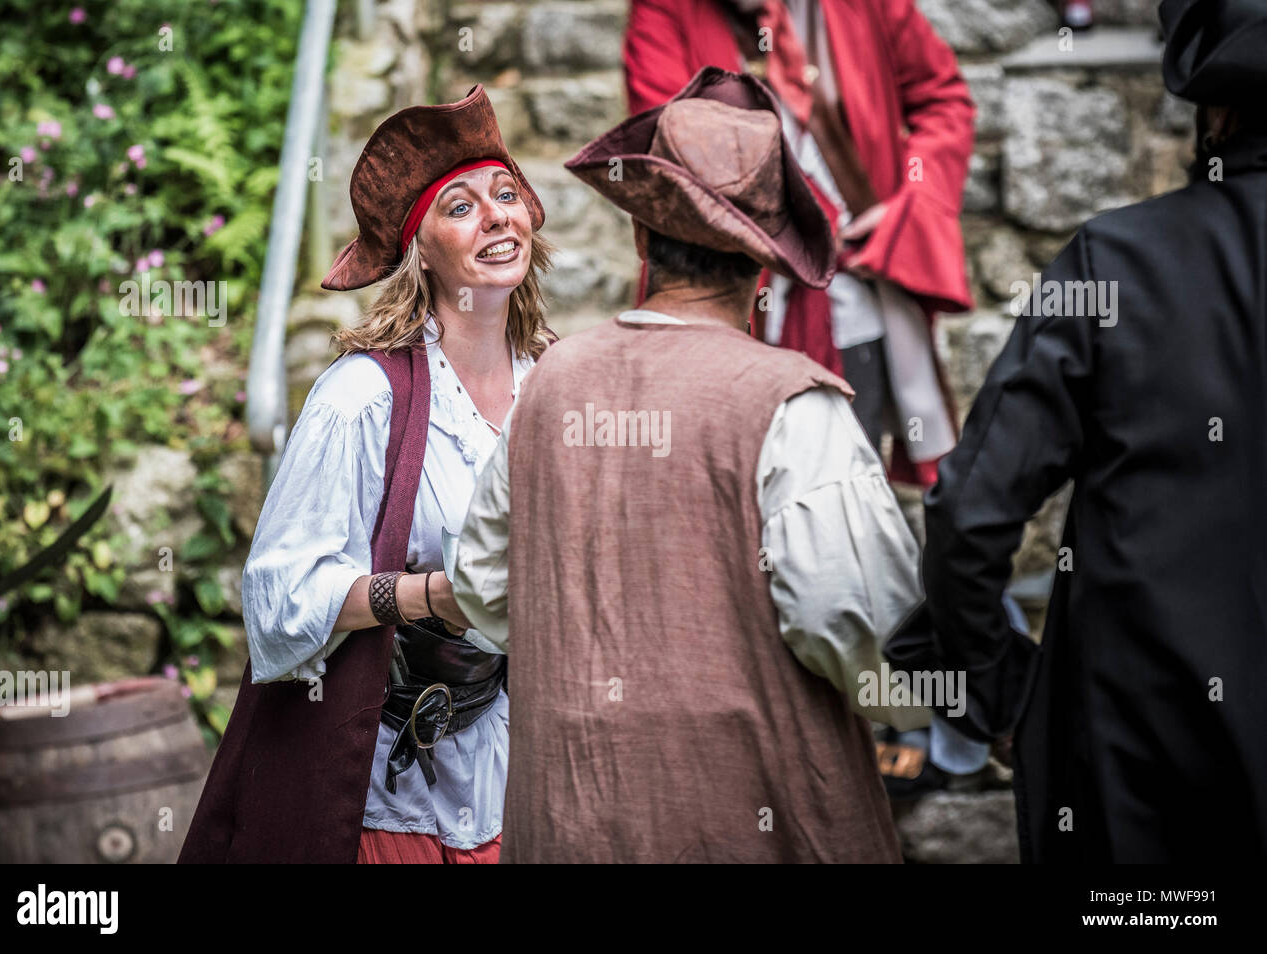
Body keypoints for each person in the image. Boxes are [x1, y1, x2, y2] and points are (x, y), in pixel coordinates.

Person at [453, 67, 929, 863]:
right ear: (766, 261)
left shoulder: (547, 387)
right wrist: (934, 709)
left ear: (641, 236)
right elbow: (866, 629)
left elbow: (483, 586)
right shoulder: (793, 406)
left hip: (564, 826)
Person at [886, 0, 1267, 863]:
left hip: (1140, 780)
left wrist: (1005, 693)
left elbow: (969, 513)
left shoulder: (1114, 264)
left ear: (1217, 112)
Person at [178, 85, 552, 864]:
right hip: (382, 794)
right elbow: (278, 601)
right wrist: (427, 595)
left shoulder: (552, 385)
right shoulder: (361, 400)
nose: (495, 216)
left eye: (506, 194)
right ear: (421, 250)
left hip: (510, 775)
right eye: (460, 205)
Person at [625, 0, 986, 795]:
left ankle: (886, 729)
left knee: (855, 514)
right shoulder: (667, 12)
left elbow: (942, 99)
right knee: (736, 527)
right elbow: (663, 155)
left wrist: (909, 206)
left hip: (864, 303)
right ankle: (772, 738)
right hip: (734, 311)